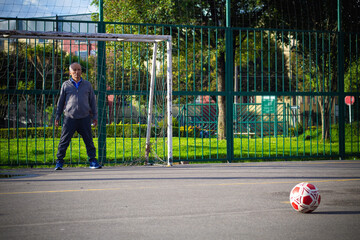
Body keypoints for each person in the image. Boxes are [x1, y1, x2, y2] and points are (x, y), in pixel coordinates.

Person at [54, 62, 101, 170]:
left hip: (84, 117)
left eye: (79, 69)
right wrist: (57, 116)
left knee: (89, 141)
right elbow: (61, 102)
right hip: (69, 118)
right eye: (74, 70)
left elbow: (92, 101)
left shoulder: (87, 85)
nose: (77, 72)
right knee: (64, 141)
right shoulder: (66, 85)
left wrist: (95, 116)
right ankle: (59, 162)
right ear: (70, 72)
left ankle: (93, 161)